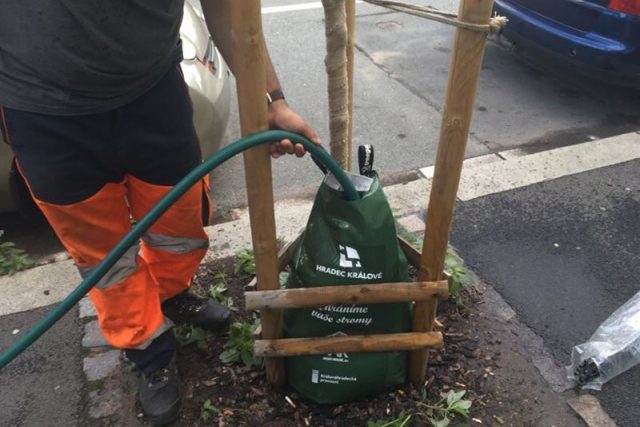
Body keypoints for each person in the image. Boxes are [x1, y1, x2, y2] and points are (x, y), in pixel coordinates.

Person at [0, 1, 320, 424]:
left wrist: (270, 98)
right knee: (102, 252)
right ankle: (148, 349)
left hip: (152, 93)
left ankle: (171, 295)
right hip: (42, 111)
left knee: (179, 219)